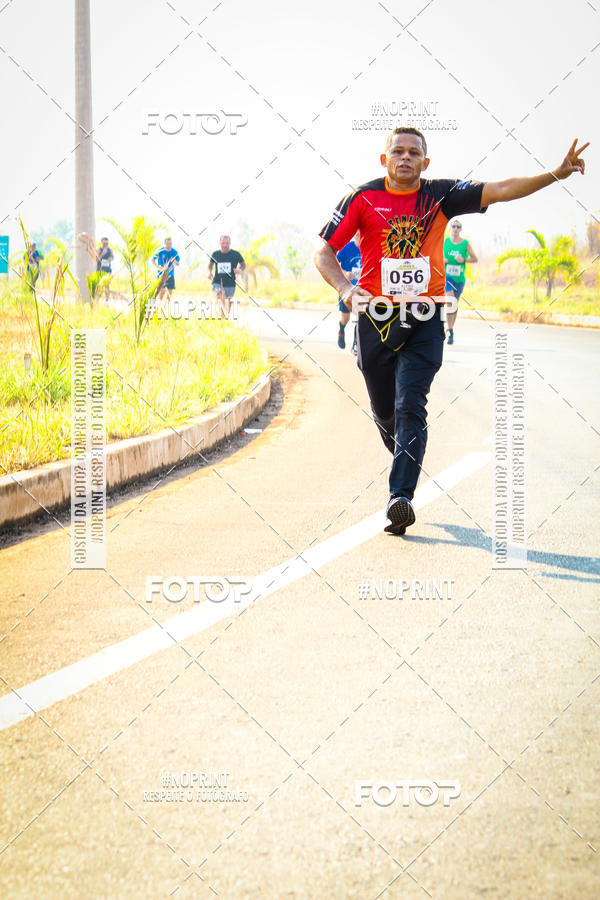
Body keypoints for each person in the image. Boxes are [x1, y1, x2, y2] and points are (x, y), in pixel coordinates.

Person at [315, 129, 588, 535]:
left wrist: (555, 174)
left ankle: (400, 498)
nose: (405, 158)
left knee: (412, 403)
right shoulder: (362, 197)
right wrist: (344, 288)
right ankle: (401, 448)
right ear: (383, 159)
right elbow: (323, 252)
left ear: (426, 163)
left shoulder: (441, 194)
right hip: (374, 318)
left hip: (425, 317)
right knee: (387, 413)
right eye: (398, 152)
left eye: (414, 153)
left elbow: (501, 189)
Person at [444, 220, 477, 344]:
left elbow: (475, 258)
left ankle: (450, 329)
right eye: (453, 226)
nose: (455, 229)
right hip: (447, 277)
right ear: (450, 228)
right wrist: (442, 260)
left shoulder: (465, 244)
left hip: (459, 279)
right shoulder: (445, 242)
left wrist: (464, 259)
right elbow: (435, 255)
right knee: (450, 300)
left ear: (460, 229)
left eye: (458, 227)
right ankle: (448, 329)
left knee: (455, 305)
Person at [336, 234, 362, 354]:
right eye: (359, 238)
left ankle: (356, 344)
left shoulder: (367, 247)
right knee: (345, 318)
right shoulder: (346, 248)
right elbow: (334, 262)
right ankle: (341, 329)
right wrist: (346, 273)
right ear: (356, 237)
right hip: (346, 289)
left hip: (361, 289)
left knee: (360, 318)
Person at [208, 235, 245, 316]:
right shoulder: (215, 254)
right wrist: (210, 272)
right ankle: (222, 315)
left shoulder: (235, 254)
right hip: (217, 282)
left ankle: (223, 318)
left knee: (228, 304)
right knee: (221, 296)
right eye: (223, 243)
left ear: (230, 243)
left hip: (230, 283)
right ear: (220, 243)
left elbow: (243, 264)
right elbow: (210, 265)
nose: (225, 245)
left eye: (227, 243)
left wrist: (240, 269)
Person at [96, 236, 114, 301]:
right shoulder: (99, 249)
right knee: (99, 285)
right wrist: (102, 254)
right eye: (104, 243)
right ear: (101, 243)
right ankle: (97, 299)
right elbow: (96, 260)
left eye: (107, 243)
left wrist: (111, 259)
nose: (105, 245)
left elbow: (113, 257)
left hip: (107, 269)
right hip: (100, 269)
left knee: (107, 285)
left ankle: (107, 300)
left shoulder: (110, 250)